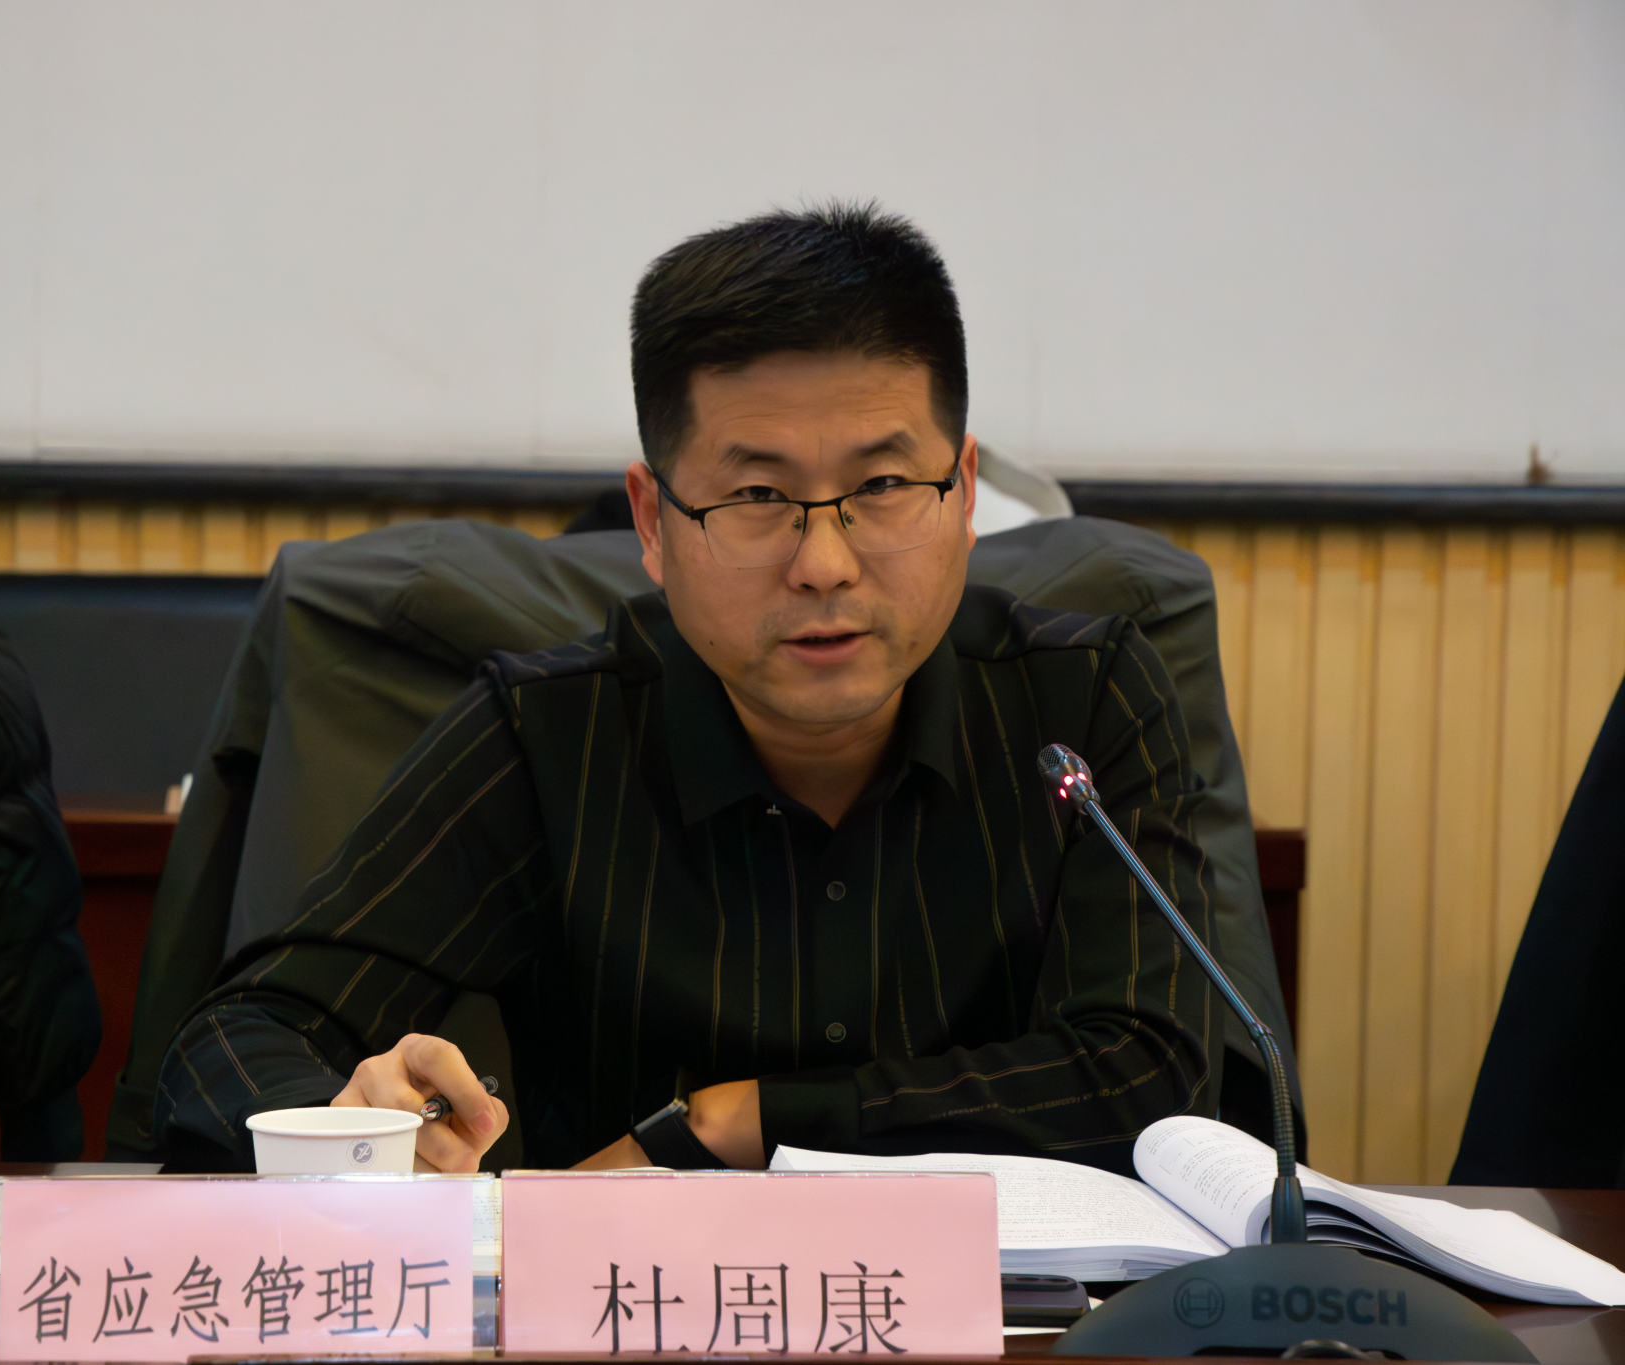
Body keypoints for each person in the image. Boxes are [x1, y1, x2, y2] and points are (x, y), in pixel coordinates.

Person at [155, 202, 1259, 1175]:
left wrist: (731, 1123)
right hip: (628, 1314)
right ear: (652, 521)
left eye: (882, 484)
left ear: (963, 494)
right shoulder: (548, 735)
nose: (823, 563)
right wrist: (347, 1119)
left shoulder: (1082, 705)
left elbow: (1150, 1072)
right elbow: (237, 1039)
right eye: (757, 497)